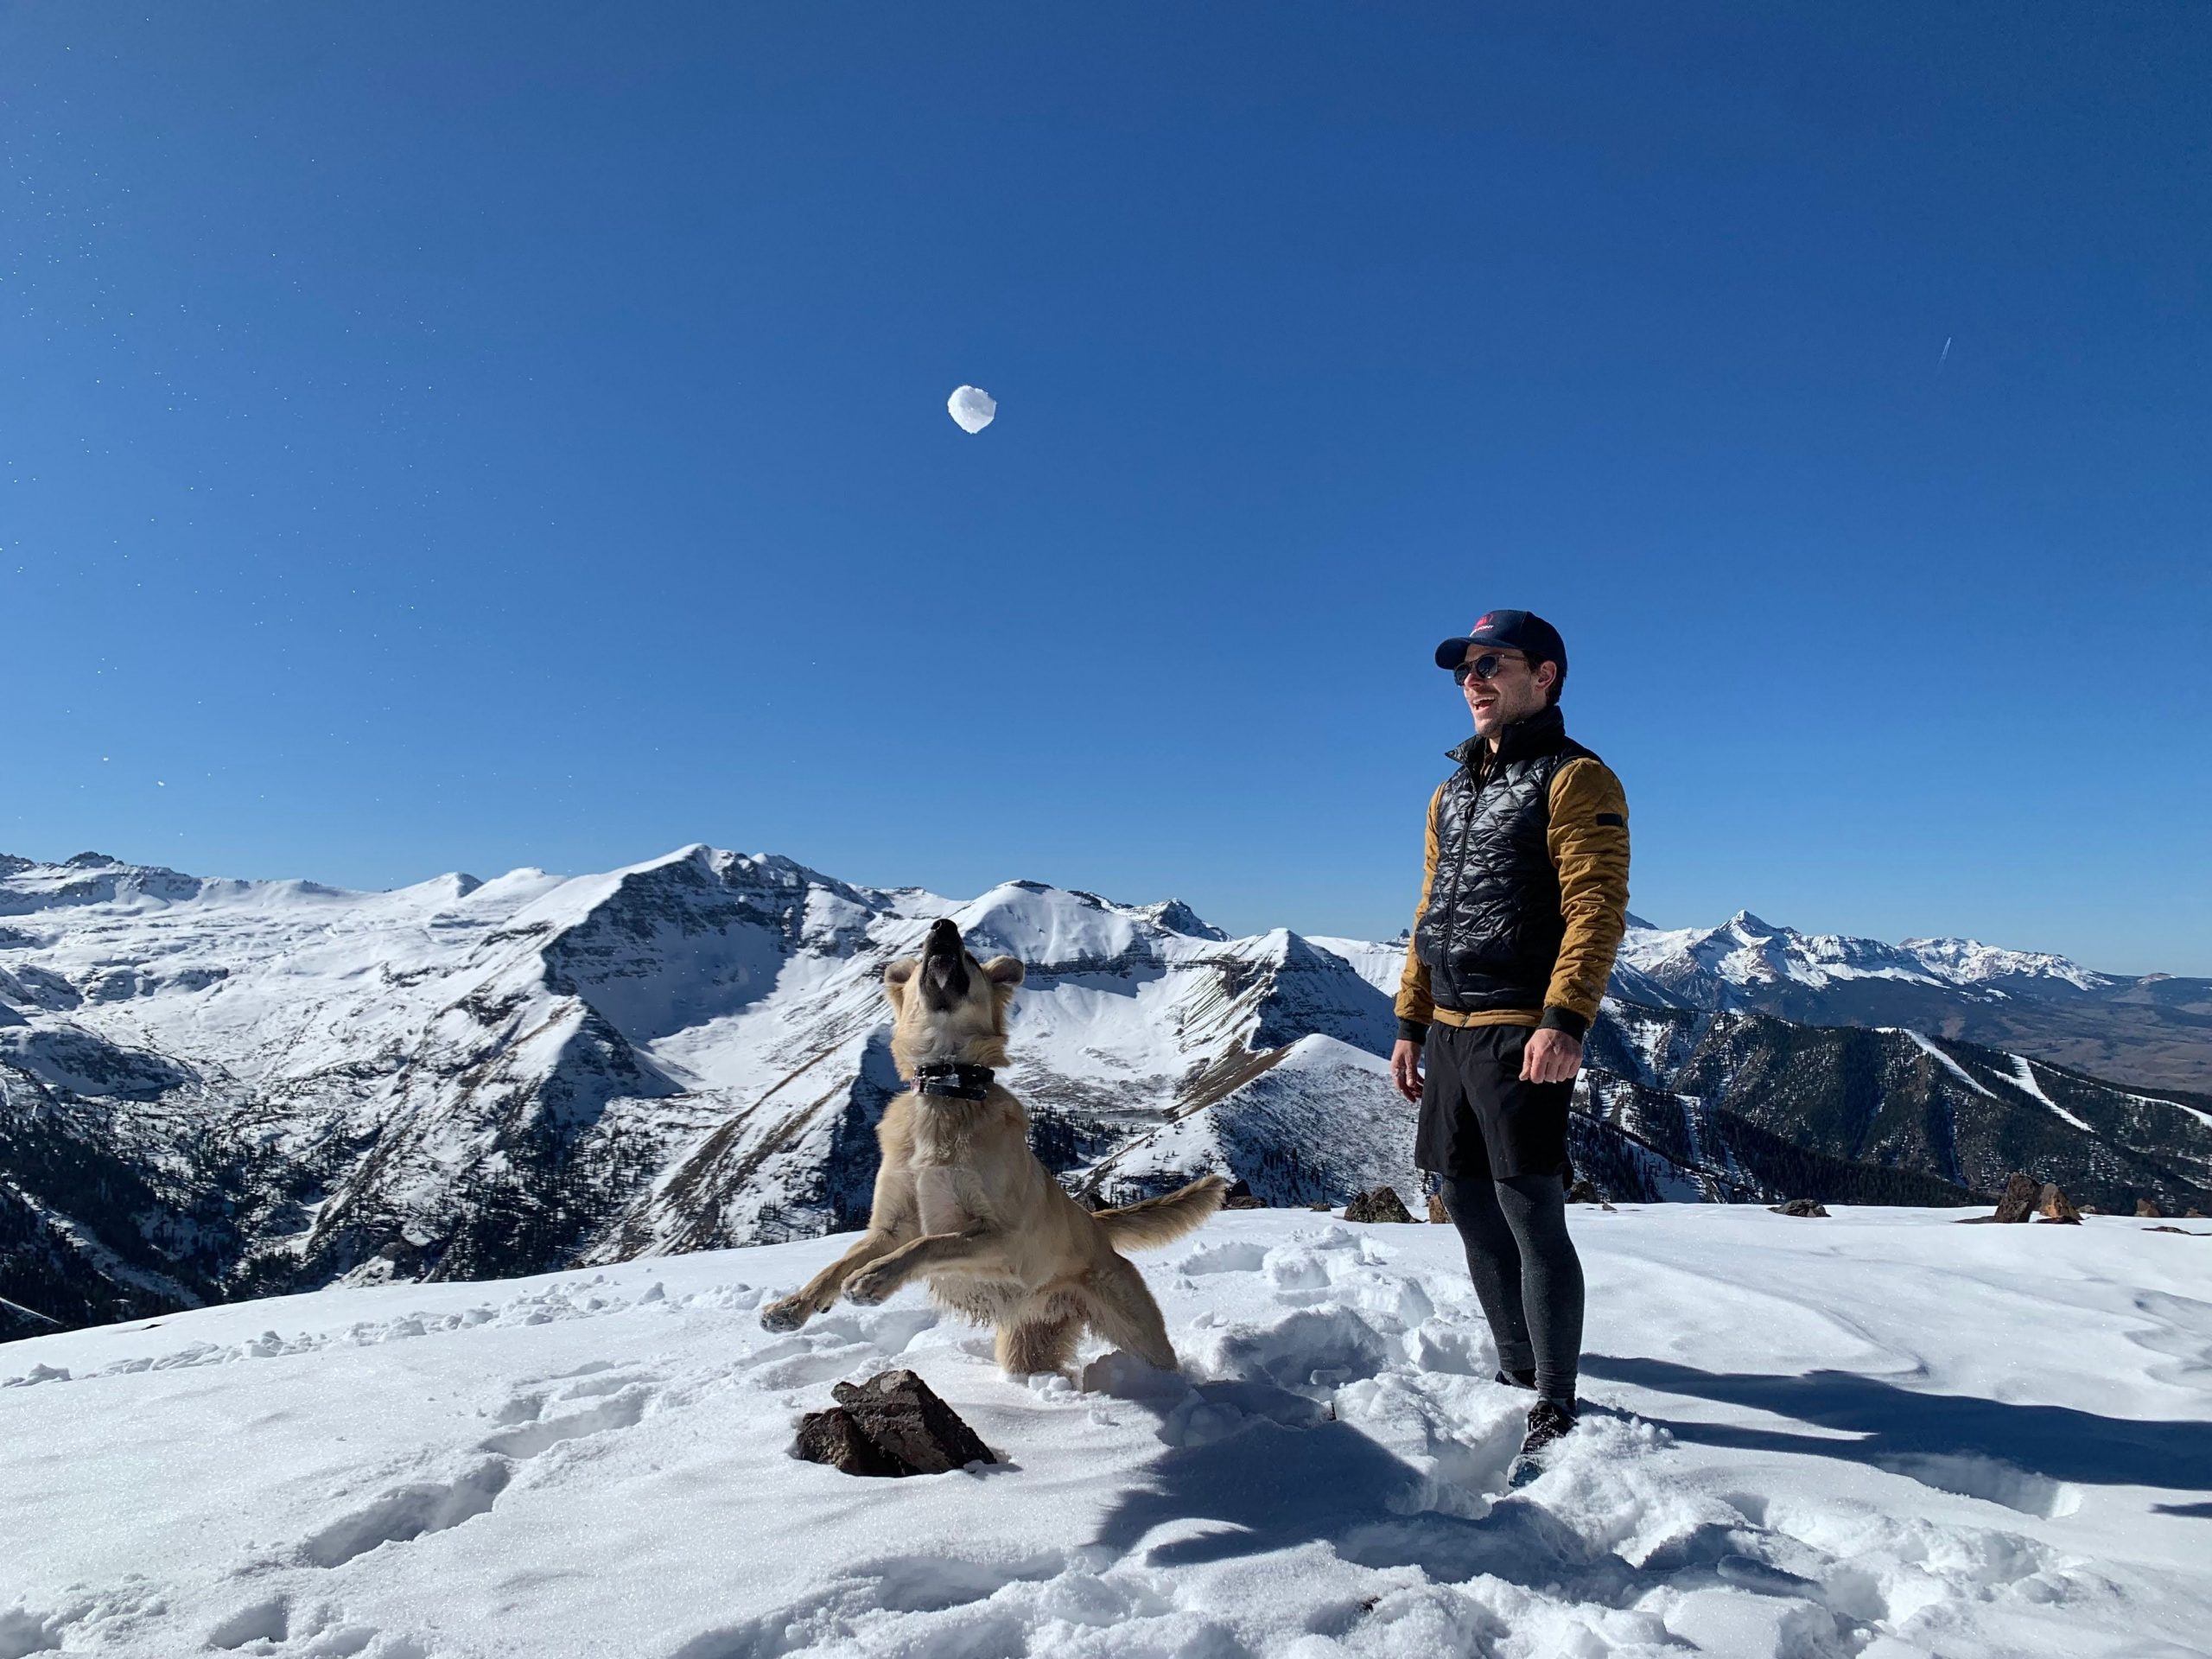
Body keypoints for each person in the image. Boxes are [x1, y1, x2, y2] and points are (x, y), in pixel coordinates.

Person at [1389, 609, 1630, 1481]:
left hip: (1518, 1028)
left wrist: (1563, 1020)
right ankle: (1515, 1362)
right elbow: (1428, 914)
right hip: (1448, 1031)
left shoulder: (1577, 779)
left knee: (1531, 1210)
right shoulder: (1450, 791)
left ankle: (1555, 1399)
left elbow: (1594, 908)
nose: (1474, 681)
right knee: (1461, 1195)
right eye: (1464, 669)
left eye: (1494, 664)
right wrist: (1409, 1023)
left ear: (1546, 676)